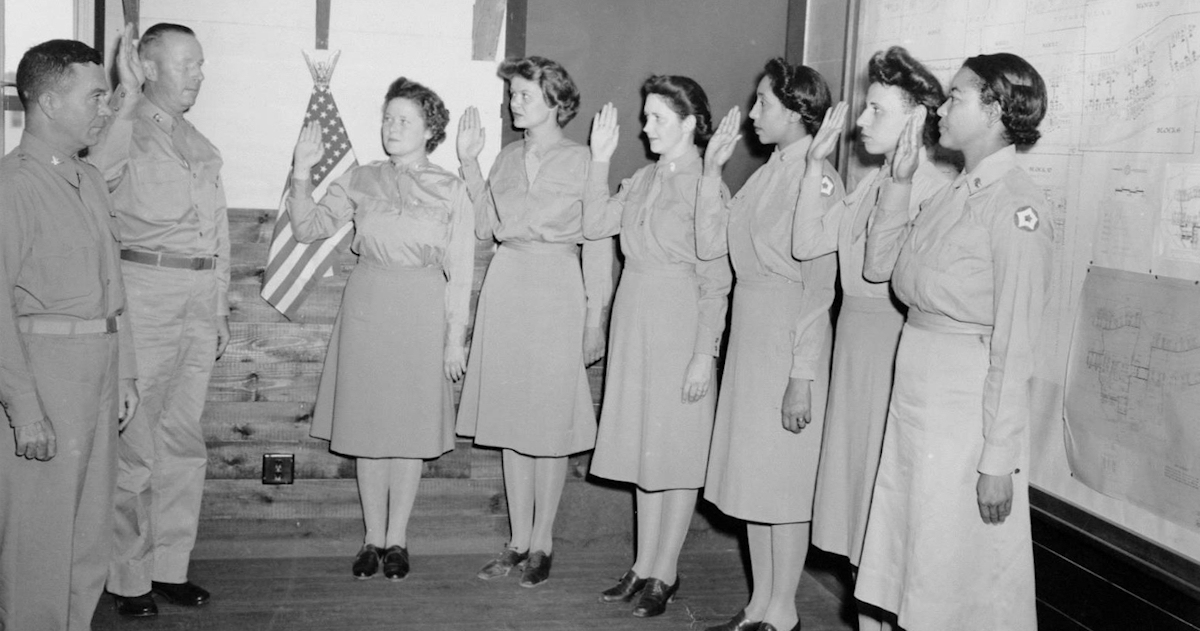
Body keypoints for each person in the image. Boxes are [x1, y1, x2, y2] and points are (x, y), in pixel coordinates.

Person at [854, 52, 1051, 631]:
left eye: (957, 97)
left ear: (994, 110)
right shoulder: (953, 193)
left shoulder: (1016, 207)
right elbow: (879, 266)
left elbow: (1016, 348)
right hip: (919, 404)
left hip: (964, 414)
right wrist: (899, 182)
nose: (941, 107)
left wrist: (998, 460)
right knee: (913, 562)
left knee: (949, 575)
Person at [289, 77, 472, 581]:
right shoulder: (361, 178)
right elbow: (308, 228)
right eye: (388, 118)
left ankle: (399, 540)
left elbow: (460, 271)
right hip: (369, 303)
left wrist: (455, 337)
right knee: (369, 426)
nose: (392, 127)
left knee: (409, 428)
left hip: (422, 307)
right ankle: (372, 538)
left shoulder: (451, 188)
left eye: (404, 119)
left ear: (430, 128)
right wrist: (302, 172)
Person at [793, 47, 951, 631]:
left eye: (876, 111)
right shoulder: (868, 183)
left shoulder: (932, 193)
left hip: (891, 359)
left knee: (883, 530)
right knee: (861, 531)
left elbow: (890, 276)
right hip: (855, 358)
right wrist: (814, 166)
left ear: (915, 120)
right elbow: (809, 242)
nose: (860, 122)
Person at [455, 56, 614, 588]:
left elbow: (596, 241)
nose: (512, 102)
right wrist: (471, 164)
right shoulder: (503, 157)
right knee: (510, 422)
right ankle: (517, 540)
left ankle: (542, 542)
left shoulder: (585, 159)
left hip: (557, 290)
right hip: (507, 286)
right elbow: (483, 229)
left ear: (554, 99)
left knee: (548, 423)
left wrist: (596, 317)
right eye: (513, 94)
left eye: (523, 94)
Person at [0, 34, 141, 630]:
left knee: (87, 536)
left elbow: (114, 288)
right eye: (95, 96)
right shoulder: (13, 185)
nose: (103, 108)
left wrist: (127, 371)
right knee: (40, 542)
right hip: (47, 375)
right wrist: (23, 405)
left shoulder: (84, 179)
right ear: (50, 103)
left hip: (100, 372)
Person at [89, 22, 228, 616]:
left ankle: (170, 565)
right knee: (136, 443)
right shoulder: (121, 128)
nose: (200, 73)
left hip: (198, 296)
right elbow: (93, 176)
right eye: (188, 63)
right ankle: (128, 577)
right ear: (148, 67)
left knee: (182, 441)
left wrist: (218, 307)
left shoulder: (198, 141)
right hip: (144, 293)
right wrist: (123, 95)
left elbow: (218, 234)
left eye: (200, 63)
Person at [699, 59, 841, 631]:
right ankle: (759, 605)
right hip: (752, 338)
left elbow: (819, 288)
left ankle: (782, 614)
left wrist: (801, 374)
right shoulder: (765, 173)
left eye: (764, 103)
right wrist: (712, 172)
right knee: (757, 481)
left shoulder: (819, 177)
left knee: (783, 483)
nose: (753, 113)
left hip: (787, 341)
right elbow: (715, 247)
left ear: (799, 110)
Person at [584, 76, 733, 617]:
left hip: (679, 326)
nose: (645, 129)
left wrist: (703, 353)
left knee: (677, 455)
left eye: (657, 119)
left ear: (691, 123)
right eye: (645, 118)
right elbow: (595, 223)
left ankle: (666, 570)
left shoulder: (708, 187)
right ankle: (643, 564)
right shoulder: (642, 178)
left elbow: (717, 280)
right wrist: (599, 161)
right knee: (646, 451)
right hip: (635, 321)